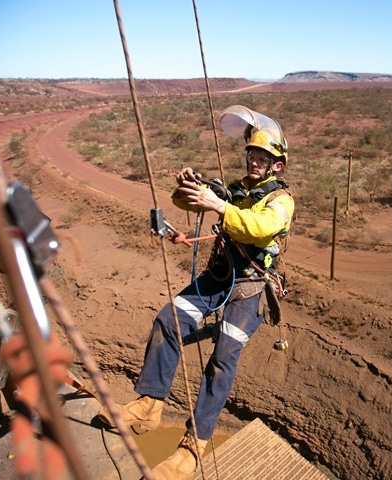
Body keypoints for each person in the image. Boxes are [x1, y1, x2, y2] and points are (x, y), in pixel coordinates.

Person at [97, 105, 294, 480]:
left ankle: (191, 449)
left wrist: (219, 205)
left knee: (223, 358)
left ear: (277, 166)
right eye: (252, 154)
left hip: (250, 290)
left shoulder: (280, 201)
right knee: (167, 320)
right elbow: (182, 202)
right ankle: (149, 404)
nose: (256, 161)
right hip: (218, 278)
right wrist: (188, 186)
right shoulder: (233, 191)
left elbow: (260, 227)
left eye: (264, 157)